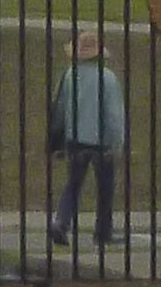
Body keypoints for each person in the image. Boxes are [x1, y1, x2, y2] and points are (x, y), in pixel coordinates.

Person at [49, 24, 128, 249]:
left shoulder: (69, 75)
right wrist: (117, 142)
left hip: (75, 138)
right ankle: (103, 231)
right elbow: (114, 114)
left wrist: (57, 139)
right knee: (105, 187)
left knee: (73, 184)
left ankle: (61, 223)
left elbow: (61, 108)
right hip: (101, 140)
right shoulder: (108, 78)